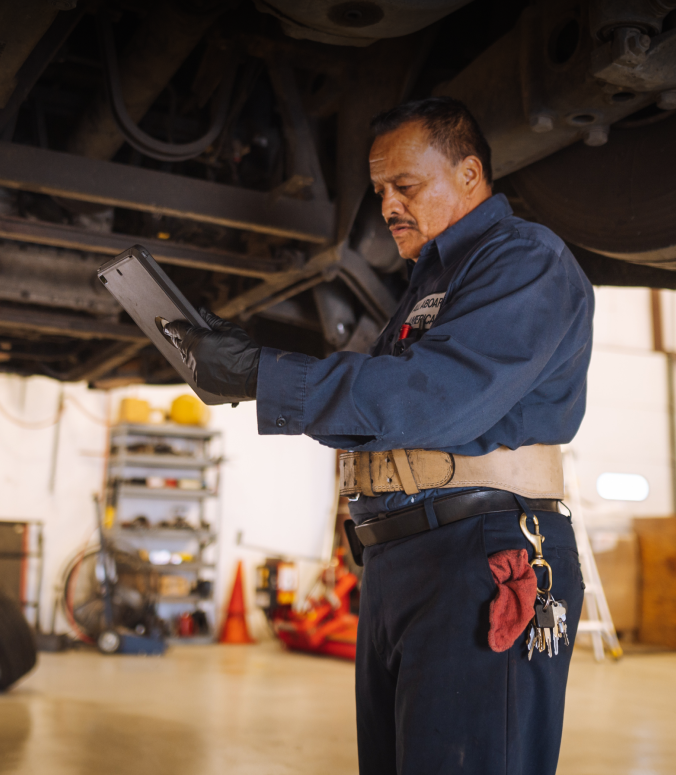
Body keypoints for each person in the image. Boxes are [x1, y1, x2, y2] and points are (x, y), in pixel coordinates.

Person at [165, 96, 593, 775]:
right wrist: (256, 359)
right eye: (380, 191)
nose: (389, 205)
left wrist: (262, 375)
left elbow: (432, 398)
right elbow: (375, 407)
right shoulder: (430, 285)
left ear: (471, 174)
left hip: (484, 550)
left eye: (407, 186)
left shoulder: (525, 260)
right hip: (404, 556)